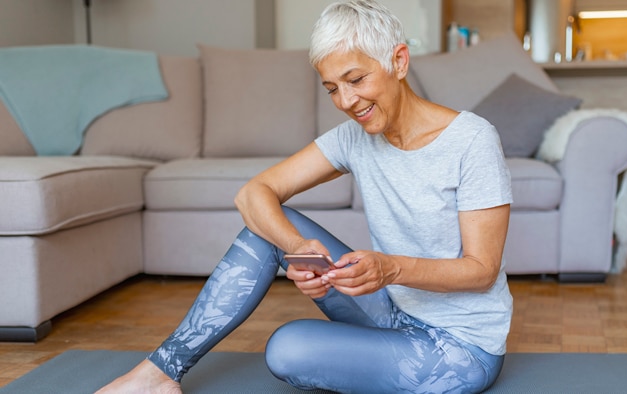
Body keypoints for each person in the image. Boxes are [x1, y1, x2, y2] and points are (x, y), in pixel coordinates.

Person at [97, 0, 513, 392]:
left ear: (398, 62)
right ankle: (159, 373)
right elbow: (253, 194)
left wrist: (389, 269)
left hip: (460, 347)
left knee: (287, 349)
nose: (347, 101)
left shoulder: (472, 140)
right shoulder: (355, 138)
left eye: (356, 79)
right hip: (391, 312)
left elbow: (481, 270)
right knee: (268, 229)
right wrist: (297, 249)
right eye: (332, 88)